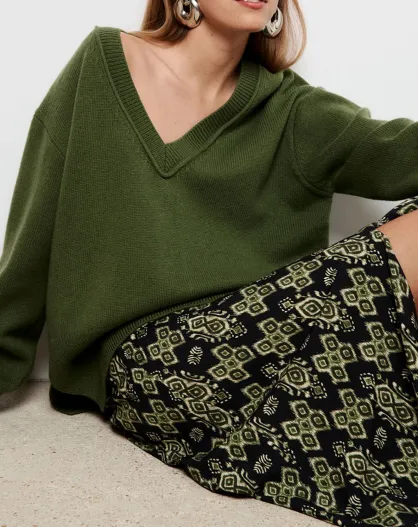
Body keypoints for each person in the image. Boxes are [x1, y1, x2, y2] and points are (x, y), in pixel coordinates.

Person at [1, 0, 418, 525]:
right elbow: (33, 232)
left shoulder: (292, 110)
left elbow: (400, 152)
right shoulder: (103, 64)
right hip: (153, 363)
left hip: (272, 354)